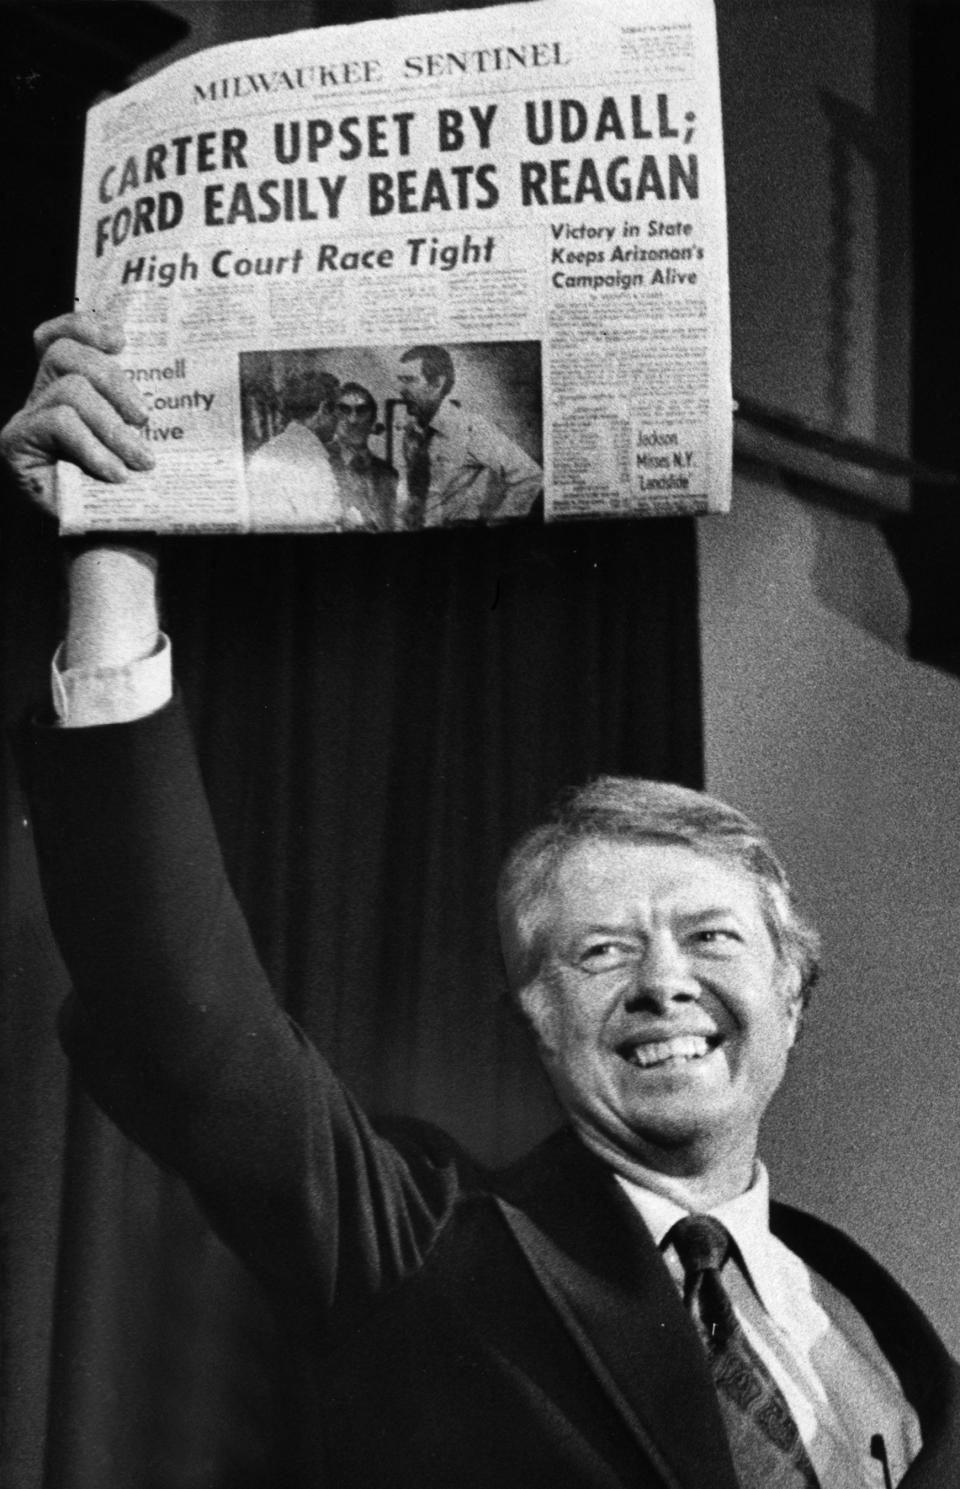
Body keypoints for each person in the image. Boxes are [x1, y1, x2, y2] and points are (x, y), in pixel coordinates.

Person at [4, 313, 959, 1489]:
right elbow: (178, 1022)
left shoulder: (886, 1331)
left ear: (793, 990)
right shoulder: (427, 1247)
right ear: (532, 1015)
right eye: (601, 950)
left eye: (710, 935)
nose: (664, 980)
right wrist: (111, 547)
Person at [396, 343, 543, 527]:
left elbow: (530, 477)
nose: (401, 389)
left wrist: (498, 525)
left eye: (410, 380)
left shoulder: (472, 427)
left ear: (437, 383)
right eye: (400, 380)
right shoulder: (412, 432)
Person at [245, 364, 343, 528]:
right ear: (323, 408)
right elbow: (323, 524)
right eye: (338, 411)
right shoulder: (310, 458)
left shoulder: (266, 450)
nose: (339, 419)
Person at [329, 380, 399, 531]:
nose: (353, 420)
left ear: (372, 419)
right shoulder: (321, 462)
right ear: (334, 416)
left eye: (361, 411)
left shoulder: (388, 473)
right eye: (344, 410)